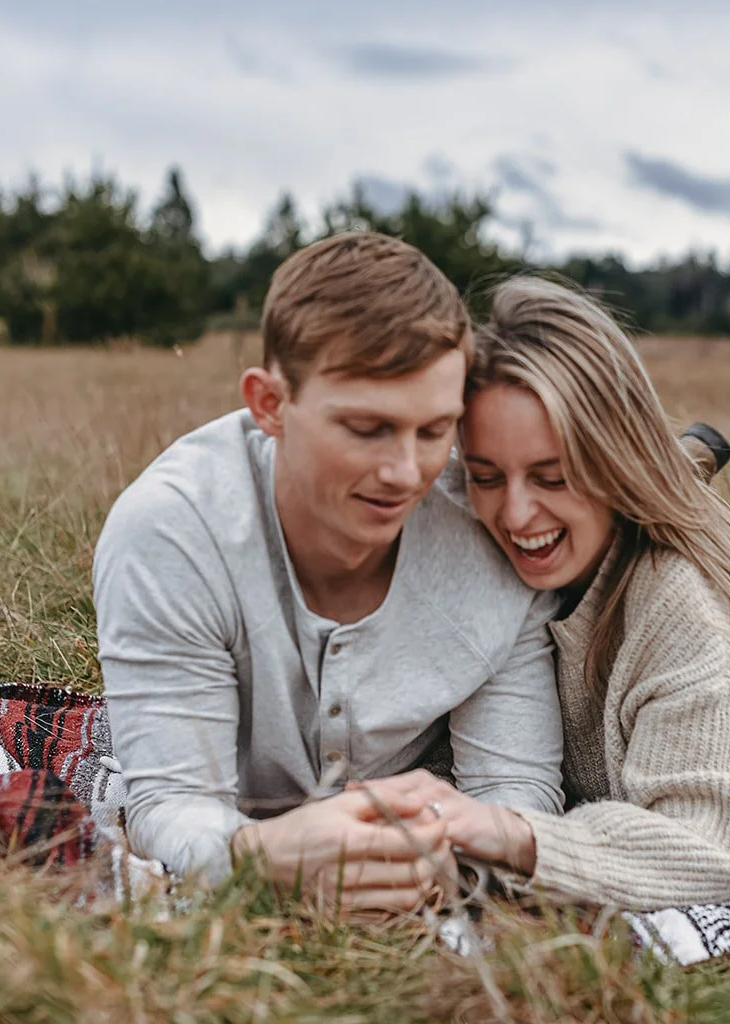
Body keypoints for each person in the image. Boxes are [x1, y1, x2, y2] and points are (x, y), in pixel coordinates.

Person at [93, 235, 566, 911]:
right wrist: (258, 857)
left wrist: (451, 860)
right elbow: (171, 806)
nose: (406, 473)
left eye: (435, 432)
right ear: (269, 404)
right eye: (367, 428)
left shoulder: (496, 533)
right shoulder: (170, 532)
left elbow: (517, 797)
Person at [356, 276, 730, 912]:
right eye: (486, 475)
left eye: (552, 475)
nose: (513, 514)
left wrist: (514, 836)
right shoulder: (457, 526)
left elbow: (729, 841)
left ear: (617, 459)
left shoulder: (688, 613)